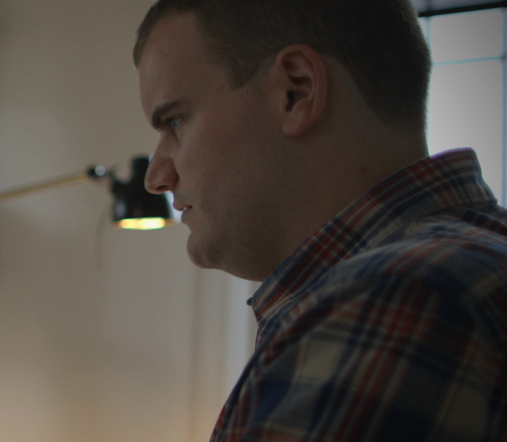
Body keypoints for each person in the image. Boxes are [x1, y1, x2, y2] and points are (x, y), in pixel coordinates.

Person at [133, 0, 507, 441]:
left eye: (175, 121)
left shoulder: (397, 299)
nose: (156, 178)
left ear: (297, 90)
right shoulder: (476, 259)